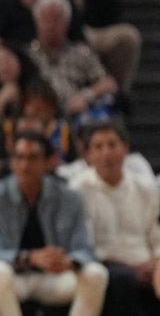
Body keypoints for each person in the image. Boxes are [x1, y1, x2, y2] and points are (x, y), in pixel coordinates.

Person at [0, 133, 108, 316]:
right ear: (11, 162)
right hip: (14, 278)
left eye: (33, 158)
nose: (25, 166)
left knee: (96, 273)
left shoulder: (70, 197)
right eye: (19, 158)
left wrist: (69, 261)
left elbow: (84, 248)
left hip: (56, 276)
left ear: (48, 162)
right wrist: (30, 258)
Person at [68, 120, 160, 316]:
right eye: (98, 147)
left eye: (112, 145)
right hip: (105, 264)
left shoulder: (147, 188)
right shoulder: (77, 191)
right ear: (88, 155)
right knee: (122, 279)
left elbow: (156, 237)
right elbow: (86, 246)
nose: (106, 153)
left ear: (125, 148)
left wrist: (154, 264)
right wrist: (132, 268)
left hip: (148, 263)